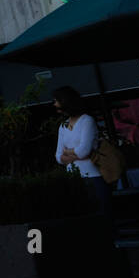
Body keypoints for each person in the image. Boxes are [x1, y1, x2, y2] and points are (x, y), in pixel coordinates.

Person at [53, 86, 111, 215]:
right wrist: (75, 153)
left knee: (101, 214)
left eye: (56, 100)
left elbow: (84, 150)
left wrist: (68, 152)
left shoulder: (87, 120)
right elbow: (58, 156)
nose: (55, 104)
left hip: (93, 176)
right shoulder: (63, 126)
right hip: (74, 178)